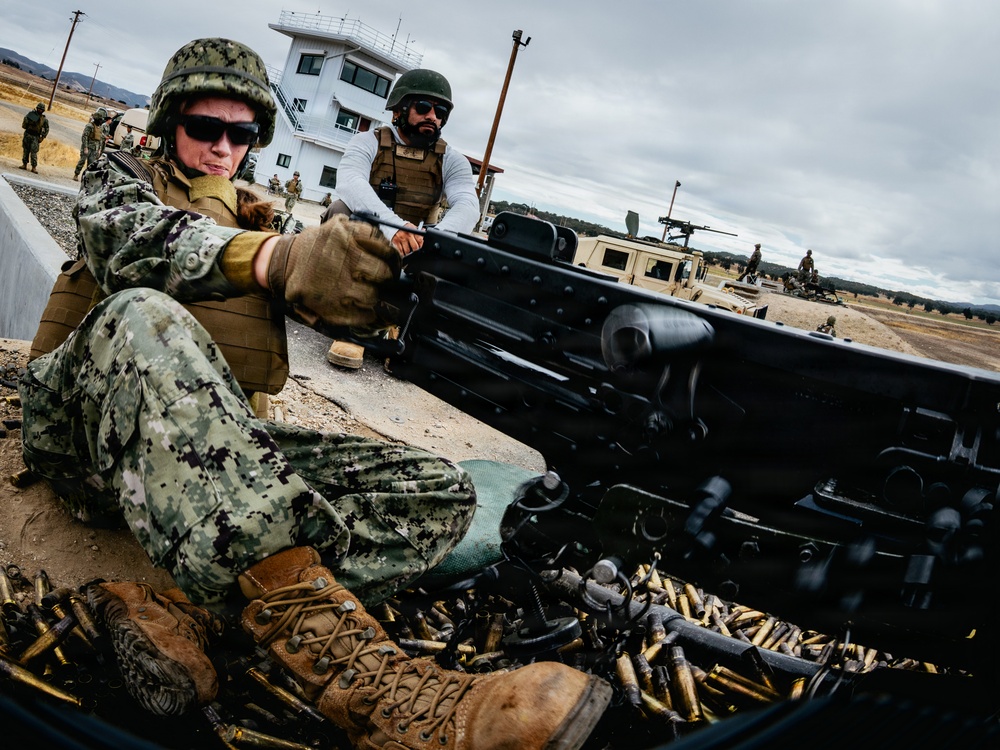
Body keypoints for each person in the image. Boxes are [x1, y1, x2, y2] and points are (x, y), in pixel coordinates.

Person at [19, 38, 608, 747]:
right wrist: (273, 258)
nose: (222, 148)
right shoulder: (118, 181)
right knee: (143, 313)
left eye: (240, 134)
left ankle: (196, 614)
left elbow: (327, 284)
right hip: (89, 444)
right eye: (204, 128)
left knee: (440, 492)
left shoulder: (260, 215)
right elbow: (134, 243)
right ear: (169, 123)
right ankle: (375, 689)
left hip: (204, 467)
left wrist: (391, 286)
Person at [322, 68, 478, 369]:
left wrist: (435, 237)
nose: (433, 116)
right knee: (339, 212)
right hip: (372, 235)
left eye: (440, 111)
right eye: (423, 107)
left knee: (457, 246)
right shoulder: (368, 142)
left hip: (418, 245)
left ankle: (401, 326)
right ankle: (350, 326)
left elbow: (468, 205)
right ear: (400, 109)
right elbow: (350, 180)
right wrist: (392, 227)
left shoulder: (452, 160)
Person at [74, 107, 109, 179]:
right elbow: (85, 137)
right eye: (100, 120)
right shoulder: (89, 126)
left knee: (91, 164)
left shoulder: (100, 128)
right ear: (96, 120)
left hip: (94, 149)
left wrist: (99, 149)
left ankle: (86, 178)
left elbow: (100, 139)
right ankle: (76, 174)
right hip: (88, 147)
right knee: (82, 161)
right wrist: (85, 147)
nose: (101, 122)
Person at [20, 102, 49, 173]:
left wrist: (42, 137)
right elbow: (24, 125)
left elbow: (46, 129)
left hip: (35, 137)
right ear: (37, 108)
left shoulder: (44, 119)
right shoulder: (30, 115)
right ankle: (24, 164)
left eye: (41, 109)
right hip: (28, 134)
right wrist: (28, 120)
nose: (40, 110)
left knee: (34, 152)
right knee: (26, 150)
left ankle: (34, 167)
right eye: (39, 108)